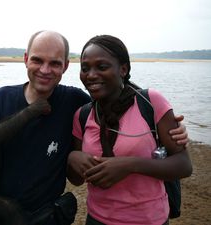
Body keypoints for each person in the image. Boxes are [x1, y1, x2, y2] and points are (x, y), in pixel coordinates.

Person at [0, 31, 189, 224]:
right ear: (26, 60)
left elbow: (117, 97)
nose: (45, 70)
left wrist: (168, 125)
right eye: (37, 60)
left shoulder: (75, 102)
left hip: (48, 216)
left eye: (55, 63)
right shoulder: (2, 97)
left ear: (65, 66)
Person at [67, 35, 192, 225]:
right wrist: (72, 157)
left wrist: (130, 165)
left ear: (123, 69)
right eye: (85, 68)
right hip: (97, 218)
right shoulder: (82, 116)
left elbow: (184, 165)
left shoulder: (150, 102)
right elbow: (76, 179)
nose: (91, 75)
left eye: (102, 67)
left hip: (150, 219)